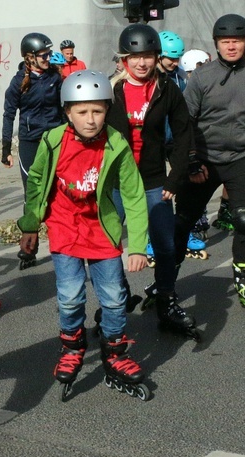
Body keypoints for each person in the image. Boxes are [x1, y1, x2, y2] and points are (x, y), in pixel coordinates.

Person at [18, 69, 150, 400]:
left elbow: (133, 195)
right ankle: (73, 347)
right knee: (70, 295)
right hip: (64, 229)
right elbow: (36, 185)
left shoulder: (115, 144)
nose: (90, 119)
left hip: (101, 231)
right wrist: (31, 225)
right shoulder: (52, 142)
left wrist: (137, 246)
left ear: (107, 110)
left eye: (98, 110)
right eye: (82, 111)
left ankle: (115, 353)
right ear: (67, 112)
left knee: (115, 297)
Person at [174, 13, 245, 319]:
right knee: (182, 222)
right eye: (225, 41)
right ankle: (166, 283)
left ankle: (243, 277)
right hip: (203, 160)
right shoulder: (202, 77)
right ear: (216, 44)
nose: (231, 46)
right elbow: (185, 121)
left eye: (237, 41)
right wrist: (190, 159)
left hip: (239, 159)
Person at [106, 24, 199, 341]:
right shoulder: (111, 91)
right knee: (106, 245)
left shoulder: (168, 89)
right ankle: (115, 302)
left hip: (154, 180)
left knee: (165, 243)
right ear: (123, 59)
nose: (142, 63)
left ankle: (166, 302)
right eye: (135, 57)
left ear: (156, 57)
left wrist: (176, 176)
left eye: (147, 56)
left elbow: (184, 133)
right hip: (115, 183)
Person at [1, 32, 63, 269]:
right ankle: (30, 246)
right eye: (43, 55)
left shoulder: (55, 78)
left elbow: (66, 107)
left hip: (54, 139)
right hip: (30, 141)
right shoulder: (18, 83)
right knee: (32, 193)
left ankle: (61, 238)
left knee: (58, 190)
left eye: (49, 53)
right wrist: (6, 148)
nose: (48, 58)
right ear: (29, 58)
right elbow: (8, 115)